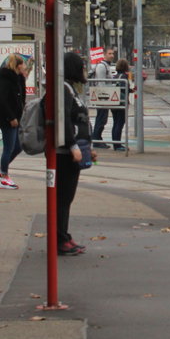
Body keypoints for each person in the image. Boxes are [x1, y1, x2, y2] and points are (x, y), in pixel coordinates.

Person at [58, 51, 96, 256]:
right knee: (63, 197)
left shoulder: (69, 88)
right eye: (81, 66)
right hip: (64, 153)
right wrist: (72, 146)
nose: (84, 70)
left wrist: (87, 147)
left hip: (73, 150)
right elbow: (63, 119)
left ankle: (64, 235)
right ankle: (60, 238)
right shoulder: (64, 89)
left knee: (66, 198)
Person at [0, 53, 27, 189]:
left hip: (16, 117)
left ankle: (1, 170)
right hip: (7, 118)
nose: (25, 67)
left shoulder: (18, 78)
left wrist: (23, 79)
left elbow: (21, 98)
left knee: (18, 146)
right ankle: (4, 176)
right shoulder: (7, 79)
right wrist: (11, 117)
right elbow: (3, 100)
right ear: (18, 65)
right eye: (23, 64)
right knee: (9, 147)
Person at [89, 49, 115, 148]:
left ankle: (97, 138)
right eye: (109, 54)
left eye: (112, 54)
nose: (112, 55)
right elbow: (101, 83)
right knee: (101, 118)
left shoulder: (106, 66)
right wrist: (104, 97)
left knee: (102, 118)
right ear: (104, 55)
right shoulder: (102, 66)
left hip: (104, 96)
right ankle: (96, 139)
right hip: (102, 96)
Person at [109, 59, 135, 151]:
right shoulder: (124, 76)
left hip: (114, 103)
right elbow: (124, 90)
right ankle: (117, 145)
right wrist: (131, 90)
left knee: (115, 123)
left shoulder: (115, 76)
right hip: (122, 103)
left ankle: (115, 143)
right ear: (125, 66)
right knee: (119, 124)